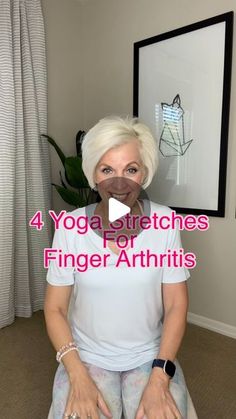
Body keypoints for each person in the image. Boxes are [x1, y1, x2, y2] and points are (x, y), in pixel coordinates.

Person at [44, 116, 190, 419]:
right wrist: (77, 374)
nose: (119, 183)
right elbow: (55, 309)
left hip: (150, 356)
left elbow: (176, 304)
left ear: (144, 173)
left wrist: (160, 377)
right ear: (93, 174)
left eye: (131, 169)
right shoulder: (69, 228)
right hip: (85, 356)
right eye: (107, 169)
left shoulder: (166, 224)